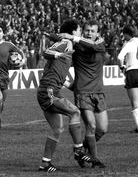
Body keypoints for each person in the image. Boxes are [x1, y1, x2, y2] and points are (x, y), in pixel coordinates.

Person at [37, 19, 94, 173]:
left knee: (57, 128)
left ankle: (45, 163)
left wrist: (70, 85)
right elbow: (46, 53)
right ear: (73, 32)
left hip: (48, 90)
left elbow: (58, 71)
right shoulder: (67, 43)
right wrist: (58, 54)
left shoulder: (69, 46)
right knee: (75, 112)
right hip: (49, 91)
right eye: (79, 30)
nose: (81, 32)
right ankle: (79, 150)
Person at [54, 20, 108, 168]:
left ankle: (81, 150)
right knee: (91, 125)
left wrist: (72, 37)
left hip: (99, 92)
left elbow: (95, 46)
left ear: (97, 33)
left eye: (92, 31)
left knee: (102, 129)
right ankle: (95, 159)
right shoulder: (75, 47)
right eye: (87, 30)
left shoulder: (100, 44)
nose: (89, 33)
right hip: (83, 93)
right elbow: (59, 46)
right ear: (83, 31)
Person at [118, 24, 138, 133]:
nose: (124, 37)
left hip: (133, 72)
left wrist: (122, 67)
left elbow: (119, 57)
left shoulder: (129, 43)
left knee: (135, 102)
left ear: (128, 34)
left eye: (124, 35)